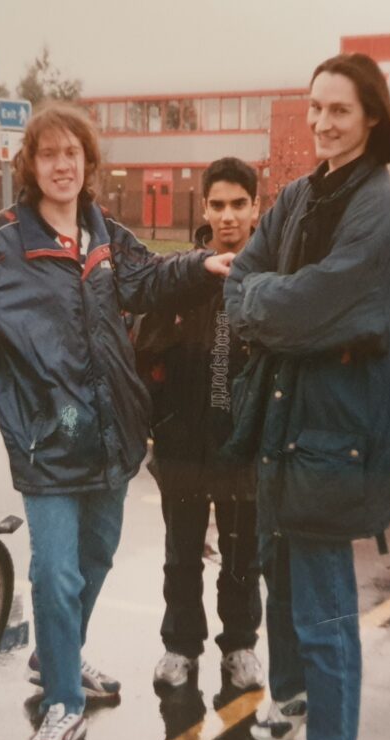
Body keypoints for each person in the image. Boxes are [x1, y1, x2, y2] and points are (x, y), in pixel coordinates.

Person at [0, 101, 233, 740]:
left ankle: (56, 658)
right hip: (46, 444)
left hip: (113, 438)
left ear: (88, 166)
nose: (61, 165)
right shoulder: (2, 243)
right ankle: (61, 706)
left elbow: (146, 280)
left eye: (72, 155)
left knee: (96, 559)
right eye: (48, 154)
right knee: (55, 576)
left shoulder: (105, 234)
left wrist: (202, 267)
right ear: (31, 165)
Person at [222, 54, 390, 740]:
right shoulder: (301, 195)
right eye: (316, 109)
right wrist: (272, 303)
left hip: (336, 438)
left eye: (339, 110)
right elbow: (243, 274)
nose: (324, 123)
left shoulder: (379, 205)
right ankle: (293, 699)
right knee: (290, 590)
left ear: (371, 116)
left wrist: (269, 305)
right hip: (286, 426)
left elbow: (320, 304)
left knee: (328, 619)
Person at [135, 157, 264, 690]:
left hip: (241, 444)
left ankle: (240, 647)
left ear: (256, 206)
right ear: (204, 208)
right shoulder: (182, 275)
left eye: (239, 204)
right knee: (181, 552)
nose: (228, 216)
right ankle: (179, 647)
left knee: (241, 554)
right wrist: (158, 427)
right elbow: (143, 348)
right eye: (218, 205)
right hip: (184, 441)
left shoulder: (269, 275)